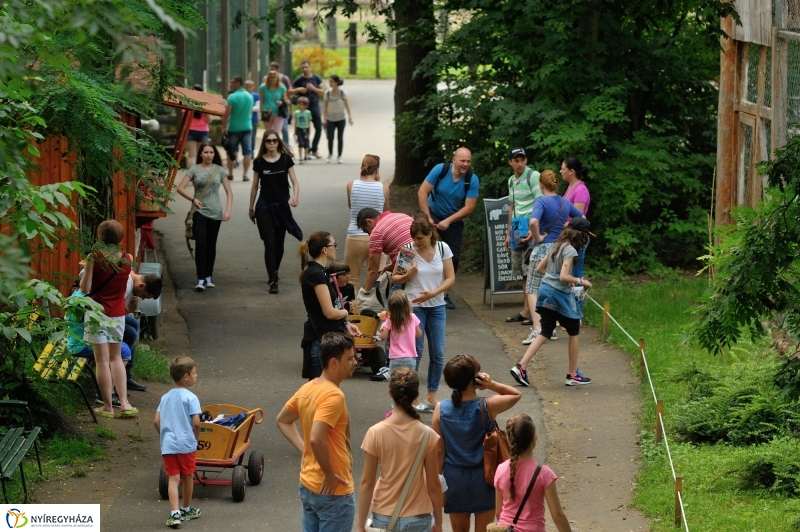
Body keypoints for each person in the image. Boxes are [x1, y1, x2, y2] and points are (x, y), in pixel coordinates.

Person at [276, 332, 358, 532]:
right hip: (334, 491)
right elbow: (316, 437)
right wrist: (330, 473)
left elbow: (283, 420)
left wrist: (304, 450)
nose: (355, 362)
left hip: (309, 485)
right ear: (334, 363)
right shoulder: (334, 395)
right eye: (350, 358)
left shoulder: (307, 389)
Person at [432, 355, 521, 532]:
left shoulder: (440, 409)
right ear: (474, 380)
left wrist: (437, 484)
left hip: (454, 479)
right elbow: (516, 394)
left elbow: (438, 452)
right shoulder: (487, 406)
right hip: (485, 478)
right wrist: (491, 385)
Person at [356, 367, 443, 532]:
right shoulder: (427, 435)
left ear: (390, 394)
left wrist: (360, 525)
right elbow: (433, 484)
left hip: (383, 514)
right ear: (416, 396)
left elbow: (367, 482)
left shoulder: (375, 433)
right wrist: (438, 522)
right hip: (419, 515)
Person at [511, 219, 592, 387]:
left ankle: (521, 366)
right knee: (574, 328)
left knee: (545, 331)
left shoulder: (554, 245)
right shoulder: (570, 250)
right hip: (557, 295)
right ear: (580, 235)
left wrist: (557, 277)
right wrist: (579, 281)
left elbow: (541, 269)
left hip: (544, 291)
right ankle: (572, 374)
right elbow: (563, 276)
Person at [391, 216, 455, 413]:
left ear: (429, 234)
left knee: (438, 352)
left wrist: (435, 293)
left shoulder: (443, 249)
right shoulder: (408, 250)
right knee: (415, 353)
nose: (416, 242)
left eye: (419, 238)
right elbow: (395, 277)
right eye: (413, 237)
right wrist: (408, 276)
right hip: (414, 307)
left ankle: (431, 395)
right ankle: (413, 396)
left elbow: (450, 277)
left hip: (436, 306)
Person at [79, 220, 138, 419]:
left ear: (100, 236)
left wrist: (87, 268)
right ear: (120, 237)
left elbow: (85, 289)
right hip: (118, 314)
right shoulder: (127, 258)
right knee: (116, 358)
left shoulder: (94, 257)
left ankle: (107, 407)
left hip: (96, 313)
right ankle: (125, 403)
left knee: (101, 360)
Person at [521, 170, 583, 346]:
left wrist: (538, 237)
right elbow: (582, 219)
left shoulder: (541, 201)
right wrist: (564, 229)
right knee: (552, 286)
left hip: (543, 250)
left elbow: (533, 222)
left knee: (533, 288)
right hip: (560, 249)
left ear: (541, 185)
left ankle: (539, 329)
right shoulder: (564, 202)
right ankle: (551, 328)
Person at [417, 148, 480, 309]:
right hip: (432, 214)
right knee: (423, 249)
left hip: (453, 219)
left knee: (453, 257)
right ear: (454, 160)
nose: (465, 164)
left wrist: (449, 221)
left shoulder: (471, 180)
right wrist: (428, 217)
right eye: (462, 161)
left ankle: (444, 294)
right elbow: (423, 192)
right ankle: (420, 288)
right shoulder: (440, 170)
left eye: (468, 161)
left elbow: (469, 208)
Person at [493, 414, 572, 532]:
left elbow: (499, 512)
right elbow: (557, 516)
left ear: (509, 440)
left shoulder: (500, 469)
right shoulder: (544, 473)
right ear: (534, 439)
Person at [298, 232, 360, 379]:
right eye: (334, 245)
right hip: (319, 339)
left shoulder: (321, 273)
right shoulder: (316, 274)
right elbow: (329, 312)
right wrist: (345, 313)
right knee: (320, 391)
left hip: (326, 337)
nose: (336, 248)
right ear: (325, 250)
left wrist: (346, 324)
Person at [249, 129, 301, 294]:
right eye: (268, 141)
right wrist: (251, 207)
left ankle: (275, 271)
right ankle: (272, 280)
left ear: (278, 142)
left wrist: (295, 196)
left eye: (274, 140)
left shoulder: (285, 160)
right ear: (264, 143)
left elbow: (294, 181)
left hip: (281, 206)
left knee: (279, 243)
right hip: (264, 205)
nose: (271, 143)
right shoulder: (259, 162)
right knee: (269, 242)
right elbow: (255, 186)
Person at [177, 141, 233, 292]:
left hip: (215, 212)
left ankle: (209, 276)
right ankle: (200, 278)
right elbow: (180, 188)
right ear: (200, 153)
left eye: (211, 152)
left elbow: (229, 192)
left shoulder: (220, 170)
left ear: (215, 154)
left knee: (211, 245)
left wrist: (227, 211)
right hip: (198, 212)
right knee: (201, 243)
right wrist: (193, 199)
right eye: (206, 152)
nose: (208, 155)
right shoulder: (194, 170)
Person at [154, 356, 202, 528]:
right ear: (186, 376)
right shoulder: (191, 397)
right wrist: (196, 437)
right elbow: (196, 422)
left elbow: (156, 421)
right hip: (186, 444)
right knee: (187, 476)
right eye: (194, 373)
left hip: (168, 445)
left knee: (173, 479)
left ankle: (174, 514)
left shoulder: (165, 397)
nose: (196, 376)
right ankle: (186, 508)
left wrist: (165, 435)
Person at [504, 148, 541, 326]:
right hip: (517, 227)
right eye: (516, 160)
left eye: (522, 160)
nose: (519, 164)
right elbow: (512, 207)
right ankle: (526, 309)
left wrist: (534, 228)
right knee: (521, 272)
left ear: (526, 160)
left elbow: (541, 202)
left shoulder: (533, 176)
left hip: (530, 227)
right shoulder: (511, 180)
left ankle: (530, 311)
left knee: (531, 270)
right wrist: (508, 233)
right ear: (510, 162)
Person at [345, 155, 389, 291]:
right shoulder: (384, 188)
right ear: (377, 170)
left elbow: (351, 206)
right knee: (377, 277)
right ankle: (373, 309)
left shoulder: (351, 185)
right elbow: (386, 212)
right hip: (377, 237)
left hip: (354, 236)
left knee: (352, 279)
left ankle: (352, 310)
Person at [356, 207, 413, 293]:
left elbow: (373, 269)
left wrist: (365, 292)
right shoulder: (401, 215)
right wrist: (393, 265)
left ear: (369, 222)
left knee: (392, 298)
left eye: (366, 231)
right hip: (427, 256)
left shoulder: (376, 231)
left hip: (408, 261)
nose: (369, 234)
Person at [560, 157, 591, 279]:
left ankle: (578, 299)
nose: (560, 171)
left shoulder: (581, 190)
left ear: (571, 171)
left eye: (563, 169)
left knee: (575, 275)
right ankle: (570, 299)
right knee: (567, 274)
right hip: (568, 236)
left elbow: (577, 221)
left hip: (577, 237)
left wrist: (560, 227)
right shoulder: (570, 187)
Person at [221, 76, 255, 181]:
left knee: (231, 151)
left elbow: (226, 114)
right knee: (247, 151)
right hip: (247, 127)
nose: (230, 84)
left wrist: (223, 127)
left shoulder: (232, 97)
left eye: (232, 82)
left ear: (238, 84)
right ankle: (245, 174)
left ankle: (230, 174)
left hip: (234, 128)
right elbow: (249, 112)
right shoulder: (249, 96)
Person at [289, 60, 324, 158]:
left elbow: (322, 91)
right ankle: (306, 150)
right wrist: (298, 89)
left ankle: (314, 149)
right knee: (304, 129)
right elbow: (290, 91)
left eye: (306, 67)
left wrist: (313, 88)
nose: (304, 69)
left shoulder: (316, 78)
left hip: (314, 106)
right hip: (302, 109)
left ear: (310, 67)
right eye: (302, 67)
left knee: (318, 128)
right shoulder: (299, 79)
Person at [322, 74, 353, 164]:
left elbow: (347, 106)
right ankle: (330, 154)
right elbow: (325, 107)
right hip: (330, 119)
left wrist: (350, 117)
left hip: (341, 119)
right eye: (329, 81)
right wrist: (324, 118)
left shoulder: (343, 93)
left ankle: (339, 156)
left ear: (336, 82)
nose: (330, 83)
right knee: (330, 137)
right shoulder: (327, 93)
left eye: (331, 81)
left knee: (340, 137)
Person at [186, 84, 211, 169]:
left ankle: (191, 176)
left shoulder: (188, 104)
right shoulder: (205, 104)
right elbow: (209, 121)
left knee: (192, 155)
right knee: (202, 155)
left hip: (191, 130)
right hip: (203, 131)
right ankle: (200, 176)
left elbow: (185, 121)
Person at [268, 61, 293, 144]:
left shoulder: (284, 79)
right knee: (270, 131)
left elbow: (289, 94)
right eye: (270, 69)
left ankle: (286, 147)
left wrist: (291, 109)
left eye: (273, 69)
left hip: (282, 108)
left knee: (284, 129)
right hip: (269, 109)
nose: (271, 71)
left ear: (278, 70)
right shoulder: (266, 79)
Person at [259, 71, 289, 137]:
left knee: (276, 133)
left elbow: (286, 99)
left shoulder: (282, 87)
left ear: (277, 79)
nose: (272, 81)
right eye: (270, 79)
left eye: (274, 79)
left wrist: (282, 102)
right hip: (266, 112)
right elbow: (261, 100)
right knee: (269, 132)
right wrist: (260, 111)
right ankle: (270, 146)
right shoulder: (263, 87)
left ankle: (276, 146)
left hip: (278, 112)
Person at [294, 97, 312, 163]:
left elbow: (309, 122)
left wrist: (309, 130)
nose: (299, 105)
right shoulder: (296, 112)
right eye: (298, 104)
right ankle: (300, 158)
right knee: (300, 144)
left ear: (305, 105)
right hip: (299, 129)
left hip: (305, 129)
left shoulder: (308, 112)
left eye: (301, 104)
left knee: (306, 144)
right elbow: (295, 122)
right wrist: (295, 131)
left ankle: (305, 156)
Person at [245, 80, 260, 156]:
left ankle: (252, 151)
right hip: (244, 119)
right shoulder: (243, 96)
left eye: (250, 87)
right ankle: (247, 151)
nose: (248, 88)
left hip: (253, 118)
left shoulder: (256, 96)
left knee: (253, 136)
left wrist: (249, 108)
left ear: (253, 87)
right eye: (247, 87)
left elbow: (258, 107)